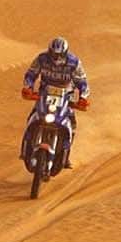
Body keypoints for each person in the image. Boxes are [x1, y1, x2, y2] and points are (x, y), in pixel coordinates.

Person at [21, 37, 90, 170]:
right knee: (32, 117)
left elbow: (82, 81)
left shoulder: (74, 62)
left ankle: (65, 155)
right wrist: (28, 87)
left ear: (65, 53)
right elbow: (31, 74)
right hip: (44, 94)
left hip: (66, 96)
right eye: (53, 54)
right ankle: (26, 147)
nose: (56, 58)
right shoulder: (42, 59)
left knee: (72, 124)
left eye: (59, 55)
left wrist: (83, 97)